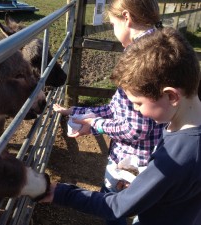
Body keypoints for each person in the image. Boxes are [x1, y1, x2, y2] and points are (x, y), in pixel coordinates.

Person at [42, 27, 201, 225]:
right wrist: (146, 185)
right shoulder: (184, 126)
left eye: (138, 103)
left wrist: (60, 192)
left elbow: (119, 206)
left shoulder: (178, 156)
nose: (137, 110)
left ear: (171, 96)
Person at [54, 1, 164, 224]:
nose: (113, 30)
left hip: (131, 162)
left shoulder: (139, 60)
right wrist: (77, 111)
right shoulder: (157, 47)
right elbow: (117, 108)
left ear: (127, 18)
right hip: (153, 155)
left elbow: (135, 128)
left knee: (113, 207)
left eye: (113, 23)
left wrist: (96, 125)